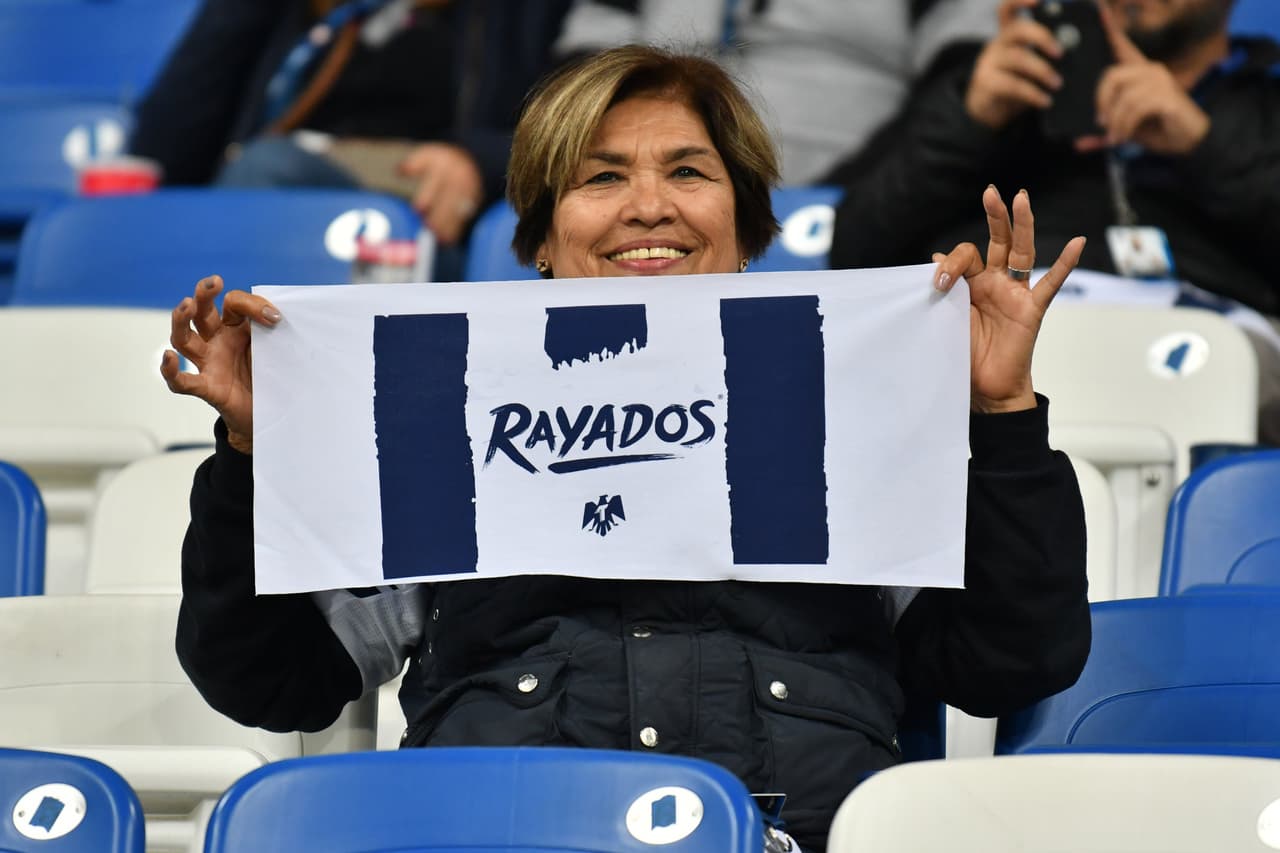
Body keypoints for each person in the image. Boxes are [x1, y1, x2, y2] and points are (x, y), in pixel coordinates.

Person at [162, 45, 1090, 852]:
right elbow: (272, 679)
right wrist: (252, 454)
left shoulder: (845, 396)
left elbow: (1006, 662)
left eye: (689, 172)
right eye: (601, 178)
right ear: (542, 237)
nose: (649, 206)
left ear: (747, 223)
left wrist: (1003, 416)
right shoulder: (443, 410)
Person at [129, 0, 572, 249]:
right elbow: (165, 149)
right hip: (282, 180)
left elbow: (602, 122)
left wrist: (479, 159)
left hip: (444, 213)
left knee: (264, 171)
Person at [553, 0, 1001, 185]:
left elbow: (963, 90)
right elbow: (577, 86)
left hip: (855, 197)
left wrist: (855, 197)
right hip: (657, 191)